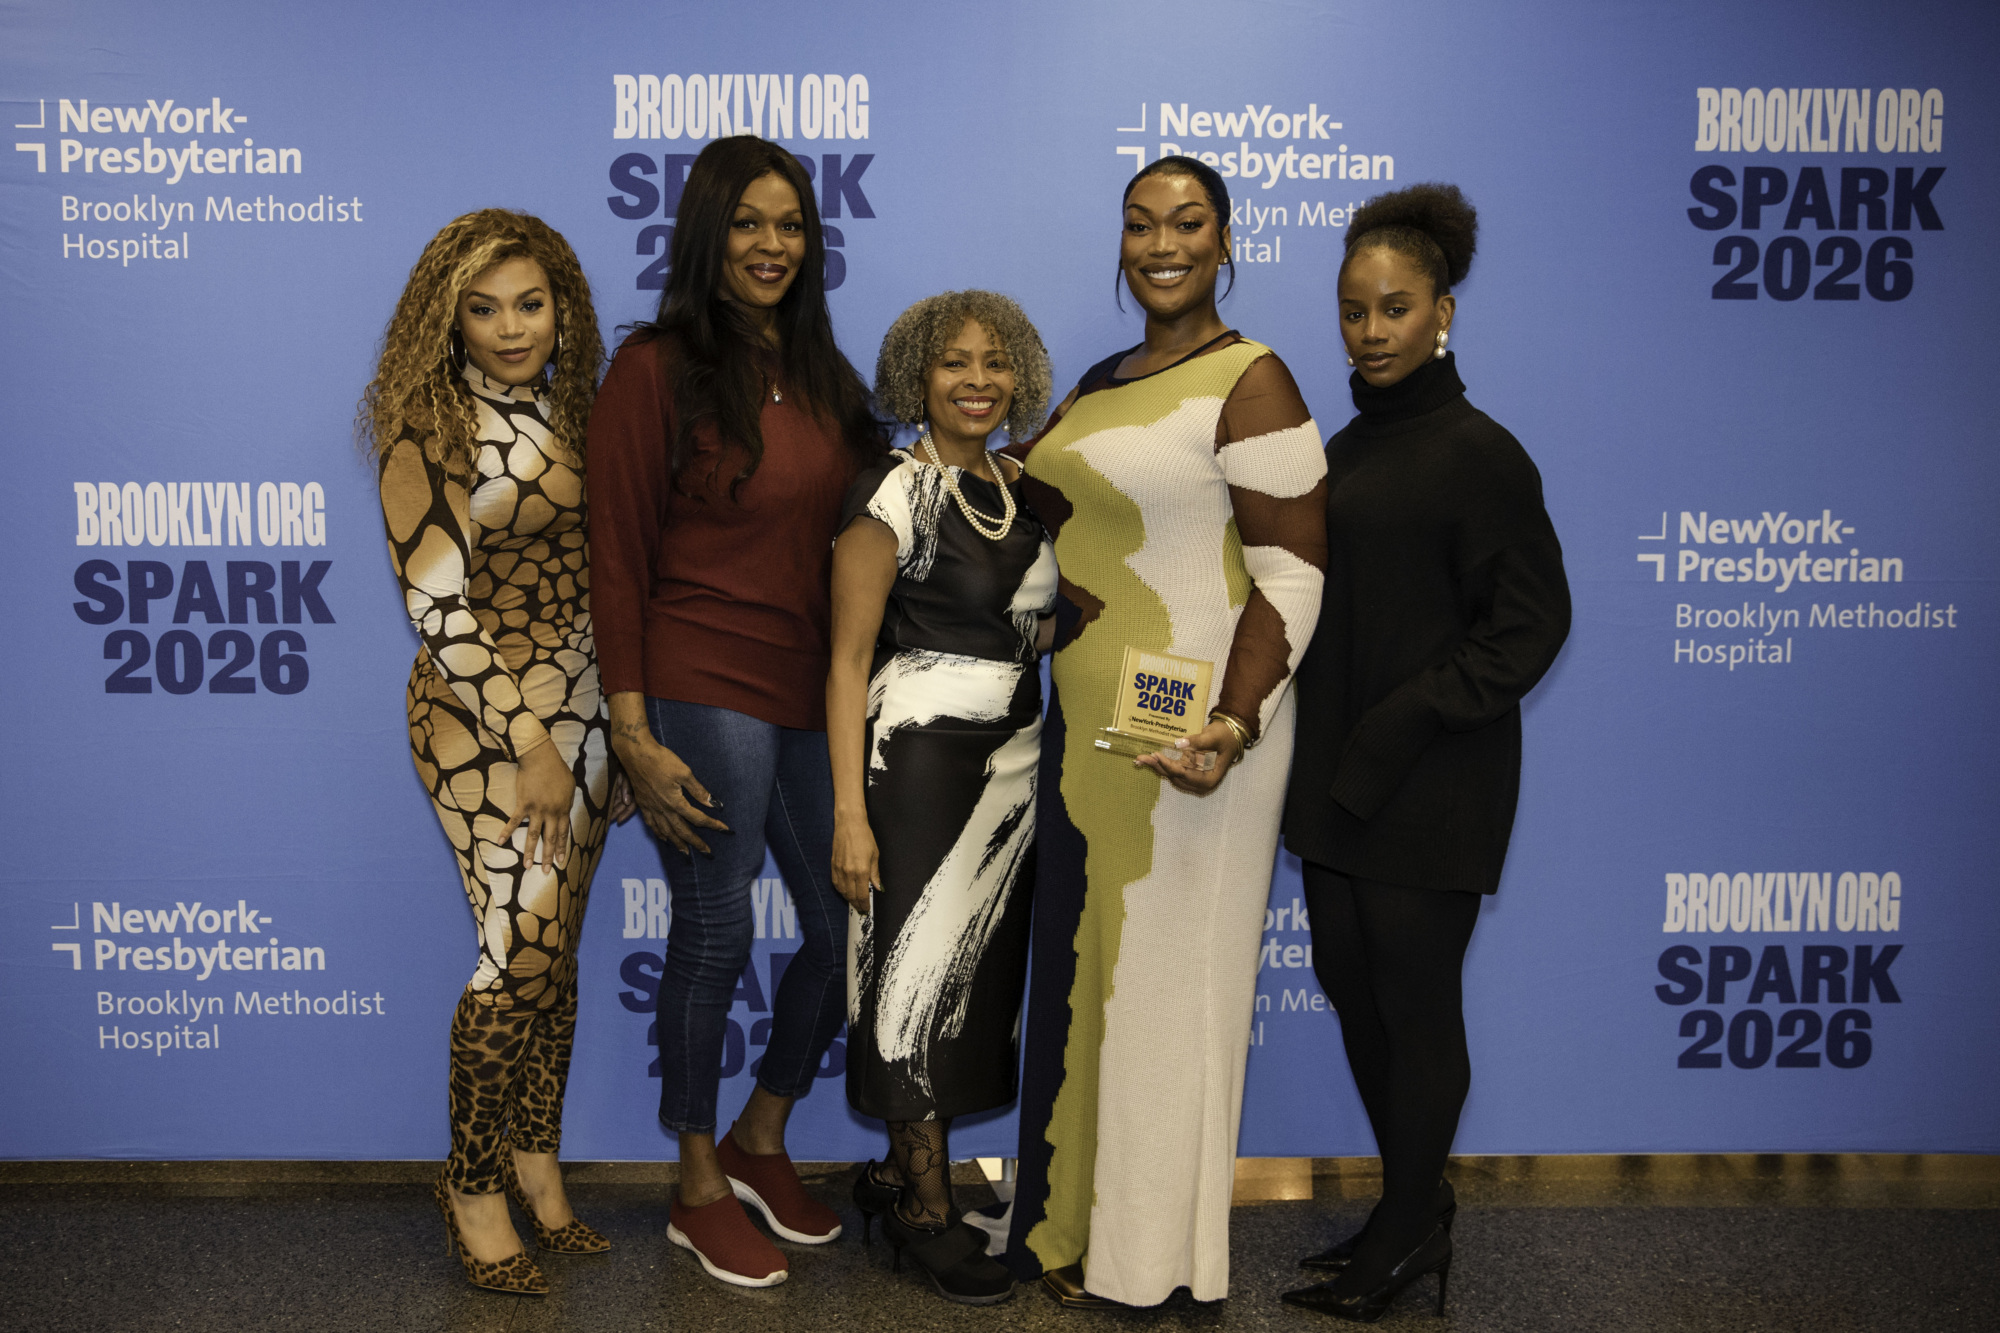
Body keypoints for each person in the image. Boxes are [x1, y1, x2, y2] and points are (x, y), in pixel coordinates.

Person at [1003, 156, 1329, 1308]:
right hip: (1086, 732)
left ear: (1226, 237)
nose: (1160, 243)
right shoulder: (1100, 380)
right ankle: (1075, 1234)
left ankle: (1153, 1270)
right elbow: (1042, 512)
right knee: (1093, 985)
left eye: (1186, 222)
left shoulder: (1253, 381)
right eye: (1139, 223)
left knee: (1163, 994)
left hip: (1199, 742)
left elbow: (1291, 577)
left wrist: (1234, 722)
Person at [588, 135, 885, 1289]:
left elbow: (885, 508)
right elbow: (617, 551)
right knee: (716, 930)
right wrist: (631, 726)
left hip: (811, 685)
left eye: (791, 225)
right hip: (699, 674)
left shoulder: (822, 373)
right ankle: (696, 1176)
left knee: (839, 926)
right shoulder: (654, 368)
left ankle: (764, 1131)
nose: (772, 245)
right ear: (707, 235)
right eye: (750, 224)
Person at [1279, 183, 1571, 1321]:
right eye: (1353, 310)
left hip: (1428, 781)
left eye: (1394, 309)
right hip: (1336, 782)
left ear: (1441, 312)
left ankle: (1406, 1227)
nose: (1370, 330)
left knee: (1412, 1000)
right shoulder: (1342, 446)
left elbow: (1529, 625)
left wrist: (1407, 714)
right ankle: (1410, 1210)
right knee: (1352, 989)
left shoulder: (1480, 453)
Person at [361, 208, 626, 1294]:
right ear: (447, 318)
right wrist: (530, 742)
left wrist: (610, 725)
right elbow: (437, 607)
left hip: (589, 714)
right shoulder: (427, 423)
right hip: (484, 721)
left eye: (530, 303)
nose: (511, 328)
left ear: (561, 306)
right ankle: (470, 1180)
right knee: (515, 951)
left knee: (553, 954)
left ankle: (536, 1164)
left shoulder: (579, 406)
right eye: (484, 308)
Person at [827, 291, 1058, 1305]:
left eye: (995, 361)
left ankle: (891, 1179)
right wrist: (846, 811)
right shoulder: (890, 492)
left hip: (1010, 764)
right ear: (916, 377)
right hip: (913, 765)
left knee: (972, 984)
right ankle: (923, 1208)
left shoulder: (1020, 487)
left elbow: (1031, 625)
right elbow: (842, 661)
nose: (977, 378)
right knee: (914, 973)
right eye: (954, 361)